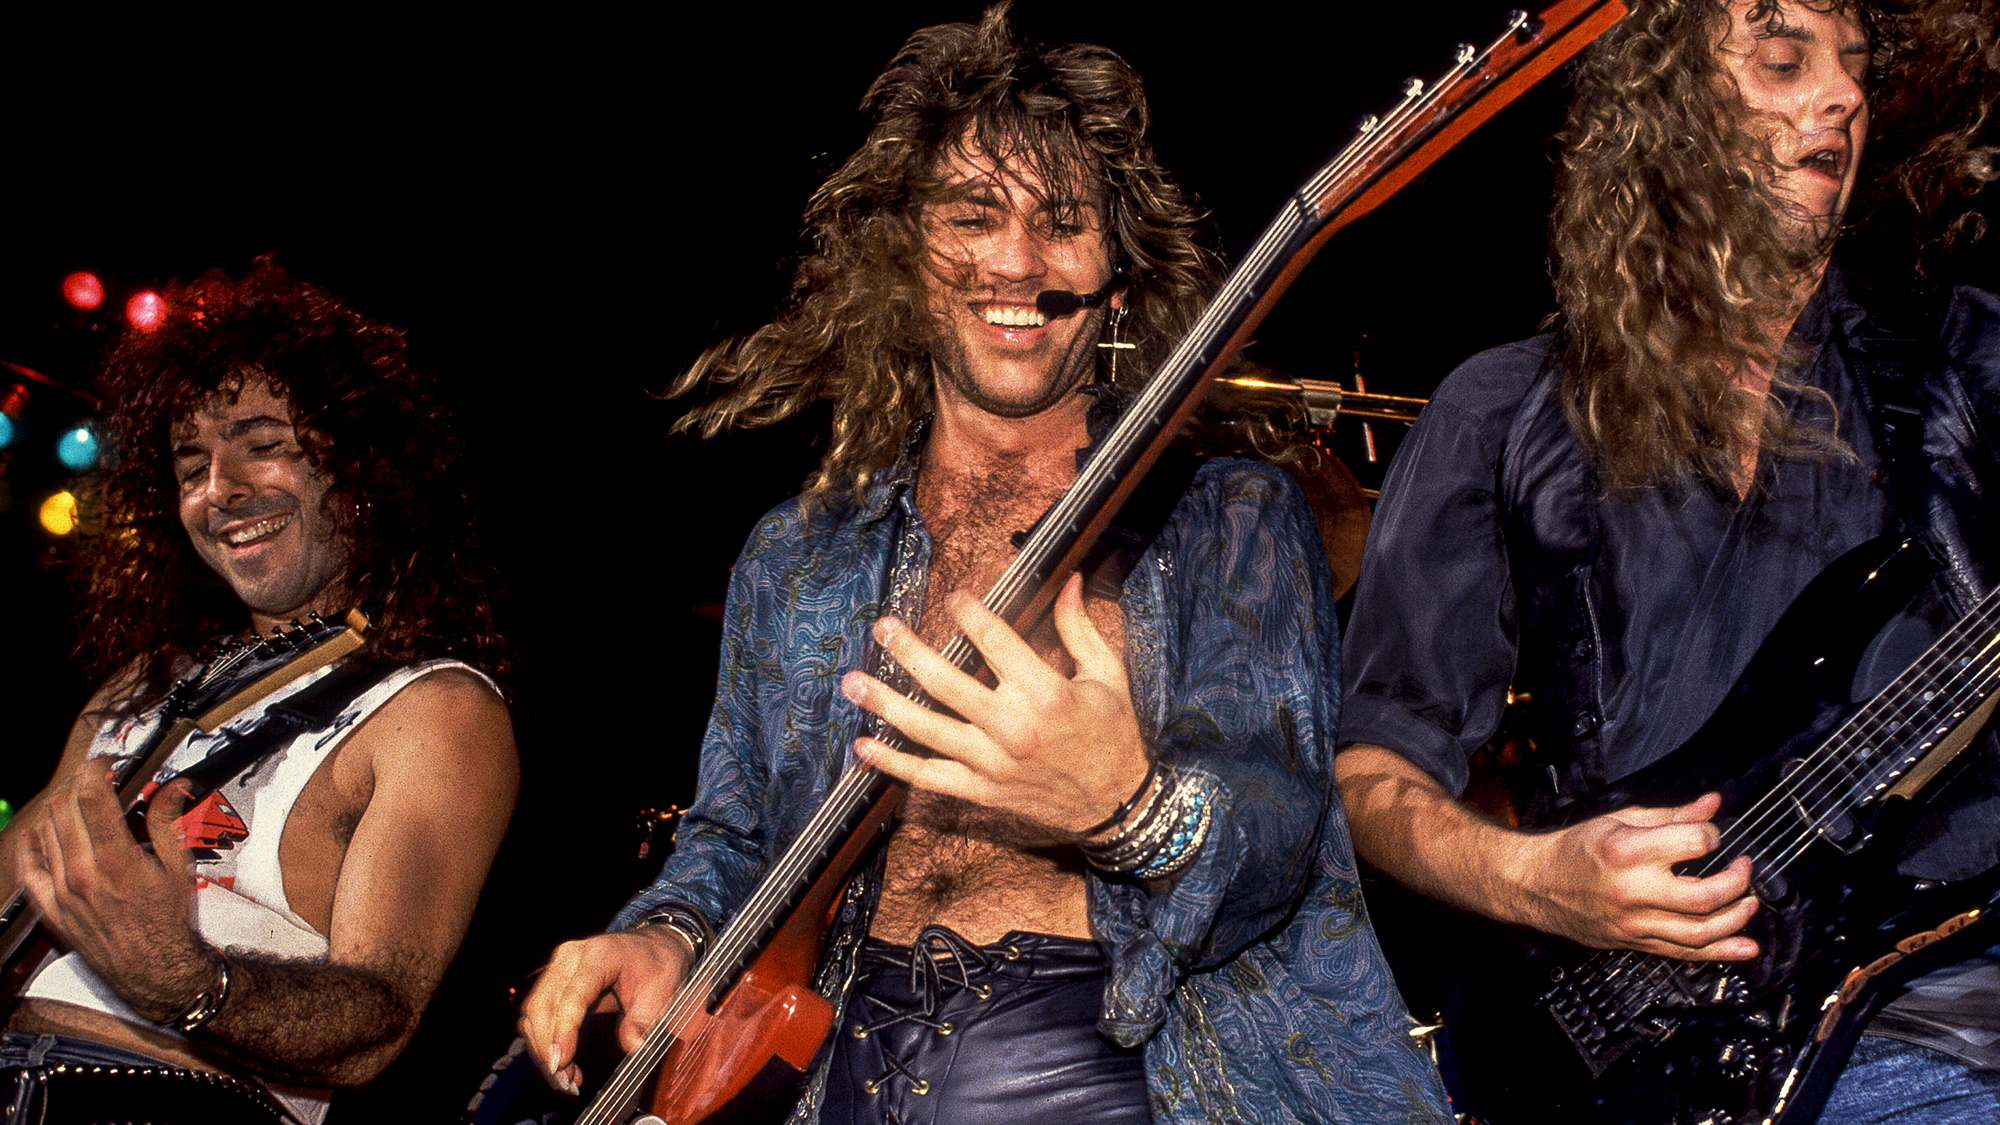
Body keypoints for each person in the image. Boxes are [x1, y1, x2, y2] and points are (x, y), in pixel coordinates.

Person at [520, 8, 1451, 1124]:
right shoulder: (796, 551)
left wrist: (1126, 810)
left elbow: (1276, 825)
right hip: (838, 1077)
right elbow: (731, 837)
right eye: (973, 214)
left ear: (1112, 278)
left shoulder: (1225, 517)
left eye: (1060, 223)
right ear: (909, 253)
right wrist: (663, 935)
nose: (1014, 260)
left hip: (1126, 1074)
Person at [1337, 0, 2000, 1120]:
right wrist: (1535, 880)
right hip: (1602, 1039)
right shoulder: (1499, 409)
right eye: (1782, 60)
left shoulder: (1963, 363)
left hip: (1934, 1007)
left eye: (1852, 67)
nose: (1837, 94)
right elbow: (1369, 769)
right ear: (1665, 115)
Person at [0, 257, 519, 1124]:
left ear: (361, 464)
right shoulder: (142, 686)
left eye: (264, 445)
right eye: (190, 463)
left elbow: (376, 1023)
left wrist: (180, 979)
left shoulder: (433, 707)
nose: (221, 491)